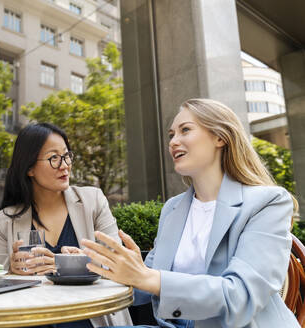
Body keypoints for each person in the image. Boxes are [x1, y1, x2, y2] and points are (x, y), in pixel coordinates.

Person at [81, 98, 300, 328]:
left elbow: (240, 297)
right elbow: (145, 284)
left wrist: (148, 277)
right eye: (171, 135)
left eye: (185, 130)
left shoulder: (268, 203)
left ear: (220, 137)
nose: (174, 141)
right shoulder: (173, 209)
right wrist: (91, 266)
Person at [0, 123, 132, 328]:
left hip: (91, 320)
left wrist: (69, 266)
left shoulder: (93, 201)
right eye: (54, 158)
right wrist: (12, 271)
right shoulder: (6, 219)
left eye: (66, 156)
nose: (64, 165)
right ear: (29, 167)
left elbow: (119, 264)